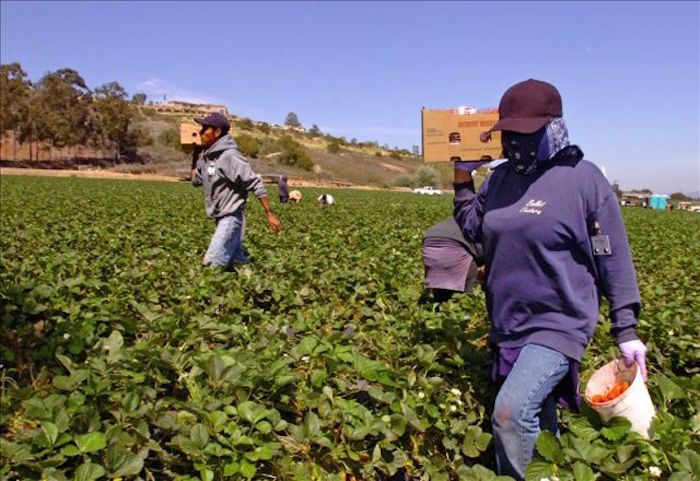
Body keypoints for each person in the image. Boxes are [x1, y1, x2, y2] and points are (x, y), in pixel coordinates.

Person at [452, 79, 648, 480]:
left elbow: (612, 256)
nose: (515, 144)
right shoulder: (501, 179)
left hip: (558, 323)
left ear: (553, 127)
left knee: (510, 413)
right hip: (508, 323)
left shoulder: (584, 180)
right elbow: (473, 227)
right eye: (509, 134)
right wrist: (460, 180)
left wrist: (625, 328)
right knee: (540, 428)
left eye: (526, 134)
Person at [192, 112, 281, 268]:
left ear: (217, 132)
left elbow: (255, 183)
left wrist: (269, 212)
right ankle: (257, 283)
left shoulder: (230, 156)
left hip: (231, 218)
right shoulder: (208, 158)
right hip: (220, 218)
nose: (200, 132)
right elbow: (196, 180)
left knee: (211, 267)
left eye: (205, 128)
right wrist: (194, 154)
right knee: (239, 265)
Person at [421, 217, 483, 304]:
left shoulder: (464, 216)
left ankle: (440, 306)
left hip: (430, 240)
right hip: (454, 243)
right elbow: (484, 253)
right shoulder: (483, 224)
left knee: (441, 294)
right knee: (468, 296)